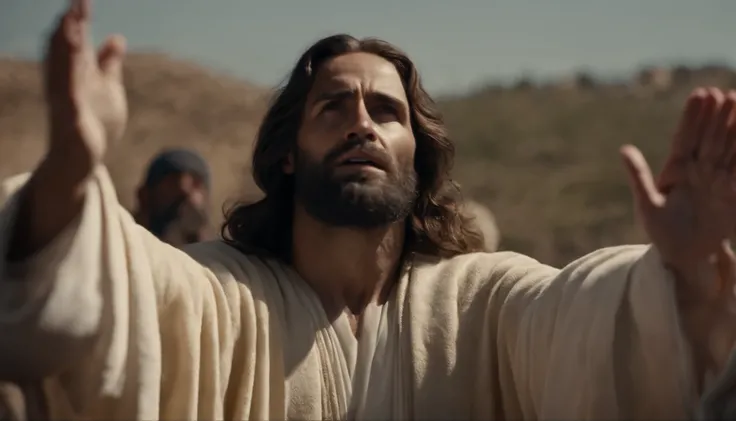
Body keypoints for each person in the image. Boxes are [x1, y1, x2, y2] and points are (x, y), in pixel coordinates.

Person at [1, 1, 736, 419]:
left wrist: (681, 273)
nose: (361, 121)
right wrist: (71, 166)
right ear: (288, 151)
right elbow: (119, 286)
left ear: (417, 150)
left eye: (386, 110)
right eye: (333, 105)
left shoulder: (482, 301)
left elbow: (580, 317)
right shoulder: (224, 293)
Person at [134, 148, 212, 247]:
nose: (185, 190)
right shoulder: (125, 247)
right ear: (145, 196)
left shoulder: (220, 257)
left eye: (195, 184)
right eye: (172, 182)